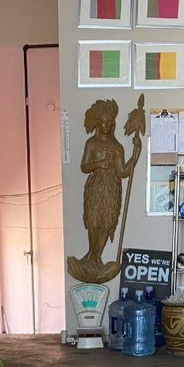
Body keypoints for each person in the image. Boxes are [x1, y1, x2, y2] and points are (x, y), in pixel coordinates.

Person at [67, 99, 141, 282]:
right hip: (96, 186)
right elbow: (84, 166)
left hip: (112, 188)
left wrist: (136, 154)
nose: (106, 125)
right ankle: (91, 256)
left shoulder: (117, 147)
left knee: (106, 223)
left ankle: (96, 258)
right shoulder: (92, 143)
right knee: (93, 221)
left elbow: (124, 171)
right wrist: (99, 163)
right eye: (103, 122)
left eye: (109, 122)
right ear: (98, 123)